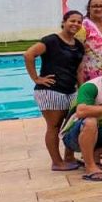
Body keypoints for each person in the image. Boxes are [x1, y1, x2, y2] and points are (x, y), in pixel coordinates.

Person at [25, 10, 85, 171]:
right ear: (64, 22)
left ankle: (69, 157)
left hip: (70, 90)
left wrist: (82, 90)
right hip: (50, 91)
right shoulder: (51, 40)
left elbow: (79, 71)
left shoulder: (79, 45)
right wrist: (36, 78)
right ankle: (57, 162)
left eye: (79, 22)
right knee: (54, 126)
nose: (76, 24)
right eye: (72, 21)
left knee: (71, 125)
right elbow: (29, 55)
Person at [78, 0, 102, 81]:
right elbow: (75, 53)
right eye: (94, 6)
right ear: (89, 9)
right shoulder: (84, 26)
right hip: (89, 77)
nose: (98, 9)